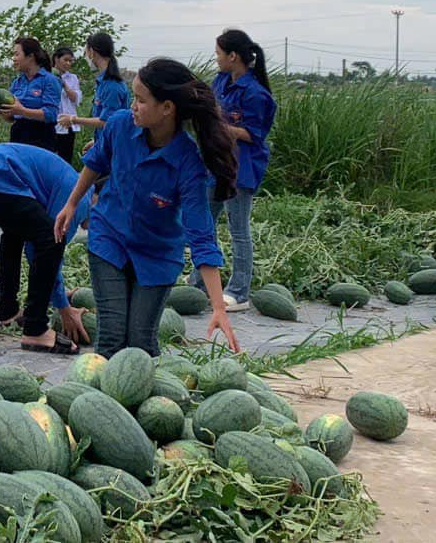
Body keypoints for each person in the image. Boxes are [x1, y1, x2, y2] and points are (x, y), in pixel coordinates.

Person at [53, 57, 240, 358]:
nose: (133, 106)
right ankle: (104, 388)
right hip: (109, 239)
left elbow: (201, 234)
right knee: (112, 335)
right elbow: (95, 162)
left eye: (140, 100)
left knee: (141, 340)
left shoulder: (188, 162)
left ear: (167, 108)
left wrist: (218, 306)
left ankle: (145, 385)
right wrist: (72, 204)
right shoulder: (120, 126)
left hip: (157, 254)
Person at [0, 143, 95, 353]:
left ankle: (8, 311)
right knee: (49, 240)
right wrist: (63, 307)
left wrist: (57, 292)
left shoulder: (68, 180)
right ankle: (36, 330)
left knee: (15, 233)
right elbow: (47, 244)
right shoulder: (82, 198)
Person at [187, 29, 277, 311]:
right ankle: (198, 285)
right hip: (216, 164)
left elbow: (253, 134)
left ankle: (239, 291)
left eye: (218, 53)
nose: (216, 58)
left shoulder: (256, 94)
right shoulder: (222, 81)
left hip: (242, 168)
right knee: (204, 224)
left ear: (233, 56)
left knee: (238, 230)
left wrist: (218, 127)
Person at [58, 32, 129, 153]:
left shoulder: (112, 86)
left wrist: (73, 120)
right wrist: (96, 141)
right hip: (104, 144)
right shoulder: (103, 82)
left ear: (92, 52)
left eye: (85, 52)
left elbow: (106, 121)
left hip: (113, 149)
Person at [0, 36, 62, 152]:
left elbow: (51, 114)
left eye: (17, 54)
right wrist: (5, 112)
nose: (14, 59)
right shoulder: (17, 82)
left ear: (30, 56)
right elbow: (12, 117)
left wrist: (22, 111)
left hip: (41, 136)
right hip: (18, 135)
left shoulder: (49, 80)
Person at [51, 45, 83, 165]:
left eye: (70, 61)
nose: (68, 63)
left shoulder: (73, 78)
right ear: (56, 59)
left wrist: (64, 84)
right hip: (52, 123)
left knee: (65, 157)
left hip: (68, 123)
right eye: (65, 60)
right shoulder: (48, 76)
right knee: (51, 157)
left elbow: (76, 99)